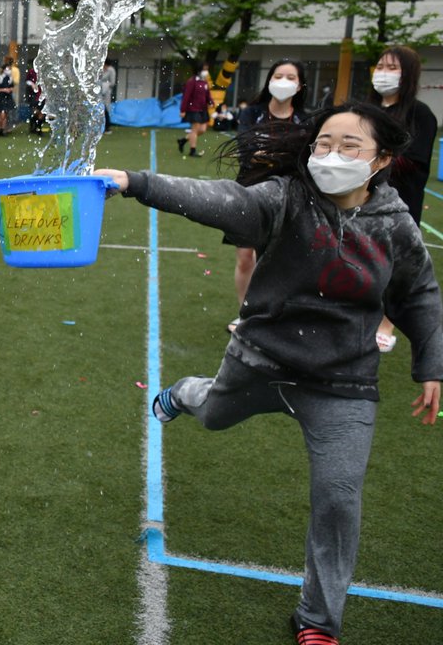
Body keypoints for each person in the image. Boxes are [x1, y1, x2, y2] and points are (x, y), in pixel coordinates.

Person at [95, 102, 441, 645]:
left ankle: (318, 619)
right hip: (261, 359)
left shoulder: (396, 225)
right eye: (323, 143)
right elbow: (224, 201)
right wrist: (135, 182)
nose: (331, 155)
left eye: (349, 146)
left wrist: (431, 363)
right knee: (210, 415)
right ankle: (187, 392)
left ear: (382, 161)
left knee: (339, 495)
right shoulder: (287, 197)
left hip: (342, 384)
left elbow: (419, 295)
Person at [225, 59, 310, 334]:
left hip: (290, 194)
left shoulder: (306, 119)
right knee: (245, 257)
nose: (283, 81)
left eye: (290, 77)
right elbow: (248, 151)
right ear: (269, 80)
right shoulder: (252, 114)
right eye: (278, 75)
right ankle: (246, 313)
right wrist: (282, 155)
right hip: (249, 190)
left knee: (278, 258)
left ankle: (275, 312)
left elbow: (304, 158)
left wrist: (271, 154)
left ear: (299, 85)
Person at [367, 45, 438, 353]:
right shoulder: (365, 110)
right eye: (380, 66)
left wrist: (373, 159)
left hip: (400, 202)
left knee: (395, 265)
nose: (383, 73)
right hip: (360, 199)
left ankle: (386, 323)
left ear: (407, 74)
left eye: (392, 68)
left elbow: (415, 159)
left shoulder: (419, 113)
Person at [177, 64, 212, 157]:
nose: (206, 71)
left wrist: (211, 101)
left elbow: (207, 94)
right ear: (199, 70)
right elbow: (186, 96)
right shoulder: (191, 82)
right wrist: (183, 110)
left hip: (203, 109)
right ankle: (192, 151)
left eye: (207, 69)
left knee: (202, 129)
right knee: (195, 128)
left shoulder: (204, 82)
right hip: (193, 109)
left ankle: (183, 140)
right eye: (205, 69)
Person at [0, 55, 16, 136]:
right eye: (7, 69)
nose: (8, 70)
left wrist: (10, 90)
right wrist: (4, 90)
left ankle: (2, 130)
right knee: (1, 115)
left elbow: (12, 87)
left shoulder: (9, 78)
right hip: (0, 98)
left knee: (5, 114)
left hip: (8, 98)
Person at [98, 59, 117, 133]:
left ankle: (107, 127)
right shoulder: (102, 69)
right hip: (101, 91)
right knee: (101, 109)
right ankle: (102, 127)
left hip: (106, 92)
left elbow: (112, 82)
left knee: (106, 108)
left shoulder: (110, 70)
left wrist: (105, 85)